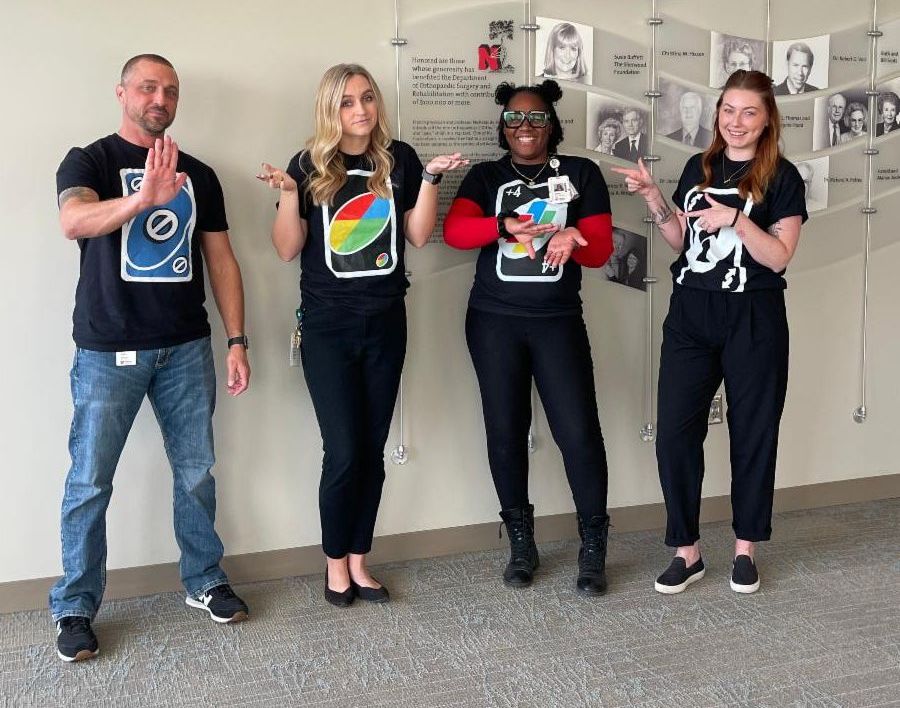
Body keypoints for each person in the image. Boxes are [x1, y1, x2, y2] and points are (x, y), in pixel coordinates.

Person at [51, 54, 252, 662]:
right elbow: (73, 221)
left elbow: (220, 259)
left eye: (170, 90)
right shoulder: (89, 160)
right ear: (122, 93)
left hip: (186, 348)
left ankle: (204, 578)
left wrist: (236, 340)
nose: (159, 98)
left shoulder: (201, 174)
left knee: (196, 472)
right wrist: (142, 200)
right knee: (89, 482)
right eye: (147, 87)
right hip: (107, 351)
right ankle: (75, 606)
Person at [258, 64, 466, 608]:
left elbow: (419, 236)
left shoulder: (399, 160)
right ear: (331, 109)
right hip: (328, 326)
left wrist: (432, 179)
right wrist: (286, 193)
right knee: (344, 450)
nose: (361, 110)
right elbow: (286, 250)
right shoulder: (307, 165)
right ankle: (333, 564)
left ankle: (358, 559)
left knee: (371, 449)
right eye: (348, 101)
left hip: (387, 321)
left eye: (368, 98)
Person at [613, 70, 807, 595]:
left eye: (749, 112)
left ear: (767, 119)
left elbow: (779, 256)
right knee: (676, 432)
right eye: (728, 110)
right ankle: (687, 552)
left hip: (754, 316)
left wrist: (738, 220)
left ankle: (745, 549)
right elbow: (682, 241)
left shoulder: (782, 177)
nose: (736, 122)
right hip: (691, 313)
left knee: (753, 433)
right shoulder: (698, 167)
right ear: (718, 113)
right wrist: (655, 198)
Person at [444, 80, 615, 596]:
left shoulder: (582, 173)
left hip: (557, 320)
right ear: (502, 125)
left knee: (578, 432)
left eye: (537, 118)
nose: (525, 126)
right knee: (505, 430)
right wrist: (502, 226)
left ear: (552, 124)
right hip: (493, 321)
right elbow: (455, 234)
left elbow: (601, 249)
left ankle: (593, 545)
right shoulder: (485, 176)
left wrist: (572, 235)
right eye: (515, 118)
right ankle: (521, 542)